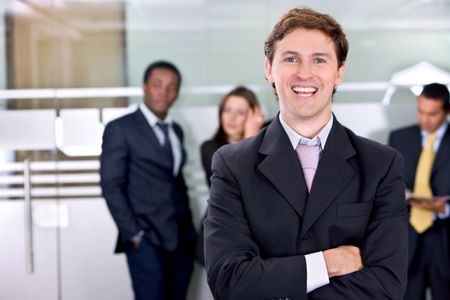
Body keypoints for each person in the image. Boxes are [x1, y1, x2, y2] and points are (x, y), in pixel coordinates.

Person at [204, 7, 408, 300]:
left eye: (319, 60)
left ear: (339, 72)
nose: (305, 73)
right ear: (268, 69)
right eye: (290, 58)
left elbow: (387, 284)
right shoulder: (232, 165)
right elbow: (228, 281)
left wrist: (276, 281)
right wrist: (326, 264)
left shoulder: (381, 165)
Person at [100, 61, 196, 300]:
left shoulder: (176, 131)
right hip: (146, 240)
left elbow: (175, 180)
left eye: (172, 87)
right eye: (157, 85)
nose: (164, 92)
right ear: (144, 87)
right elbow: (111, 186)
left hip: (181, 239)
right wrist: (133, 234)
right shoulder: (121, 129)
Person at [388, 83, 450, 300]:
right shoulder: (399, 138)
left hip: (444, 239)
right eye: (421, 111)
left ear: (447, 111)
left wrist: (445, 208)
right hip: (408, 240)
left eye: (432, 114)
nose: (425, 119)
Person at [195, 86, 264, 265]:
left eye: (240, 112)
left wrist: (253, 136)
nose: (231, 118)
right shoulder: (209, 148)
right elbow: (238, 187)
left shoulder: (266, 145)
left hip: (258, 235)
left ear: (252, 116)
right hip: (223, 231)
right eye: (227, 110)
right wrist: (249, 138)